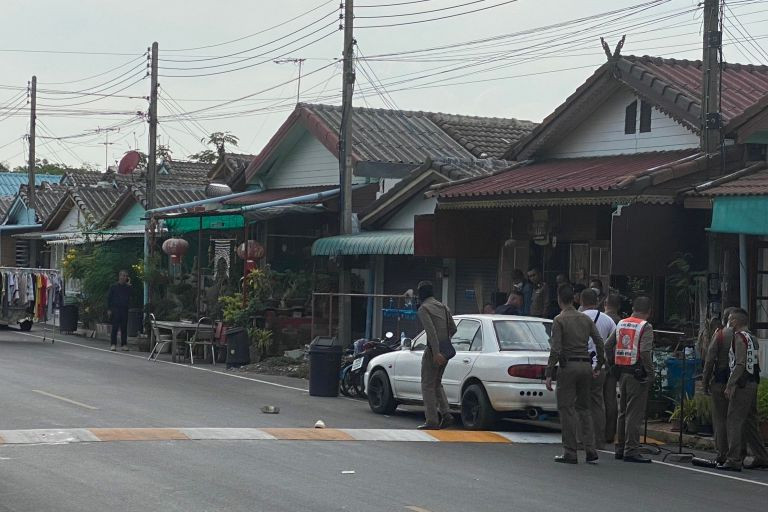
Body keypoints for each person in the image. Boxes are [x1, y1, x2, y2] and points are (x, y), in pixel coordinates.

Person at [545, 284, 605, 464]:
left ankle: (570, 451)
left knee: (566, 409)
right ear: (574, 299)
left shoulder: (559, 320)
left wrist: (549, 372)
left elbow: (556, 348)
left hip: (568, 367)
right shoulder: (585, 319)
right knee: (584, 408)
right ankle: (590, 449)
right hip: (585, 365)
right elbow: (599, 341)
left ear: (559, 299)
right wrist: (599, 364)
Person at [718, 308, 768, 471]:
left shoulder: (739, 337)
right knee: (749, 421)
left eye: (730, 319)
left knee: (734, 420)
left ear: (735, 322)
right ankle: (761, 456)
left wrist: (730, 384)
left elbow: (740, 363)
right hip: (753, 381)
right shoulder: (752, 337)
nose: (729, 322)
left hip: (742, 383)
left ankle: (733, 459)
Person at [605, 296, 654, 463]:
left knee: (623, 412)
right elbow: (645, 352)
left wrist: (613, 363)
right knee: (634, 413)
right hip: (637, 374)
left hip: (622, 373)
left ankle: (620, 448)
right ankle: (631, 449)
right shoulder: (645, 326)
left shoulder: (621, 323)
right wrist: (650, 373)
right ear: (649, 311)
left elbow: (607, 345)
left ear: (633, 308)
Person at [416, 280, 457, 430]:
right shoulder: (443, 307)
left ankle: (432, 421)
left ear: (421, 294)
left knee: (427, 385)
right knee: (437, 383)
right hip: (446, 350)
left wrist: (436, 352)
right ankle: (446, 414)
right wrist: (445, 342)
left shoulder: (423, 308)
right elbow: (453, 328)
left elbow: (431, 332)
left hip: (434, 351)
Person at [580, 288, 617, 450]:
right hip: (600, 367)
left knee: (580, 403)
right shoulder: (608, 320)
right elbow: (614, 343)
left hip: (580, 365)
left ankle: (581, 440)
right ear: (597, 302)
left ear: (581, 301)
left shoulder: (577, 317)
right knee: (597, 403)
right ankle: (599, 440)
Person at [701, 307, 735, 467]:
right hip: (740, 383)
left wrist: (705, 381)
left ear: (725, 319)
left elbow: (709, 360)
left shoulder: (721, 335)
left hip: (721, 381)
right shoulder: (746, 335)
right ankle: (737, 453)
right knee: (736, 419)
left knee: (720, 418)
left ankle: (722, 452)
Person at [602, 293, 622, 444]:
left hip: (600, 362)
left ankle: (597, 431)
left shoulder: (601, 319)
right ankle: (610, 433)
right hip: (615, 364)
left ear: (605, 304)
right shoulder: (622, 322)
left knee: (596, 398)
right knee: (611, 399)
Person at [107, 270, 132, 352]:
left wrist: (129, 285)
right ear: (120, 276)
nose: (125, 277)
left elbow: (130, 296)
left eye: (126, 276)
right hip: (115, 309)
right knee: (115, 327)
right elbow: (109, 298)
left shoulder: (128, 287)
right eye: (123, 276)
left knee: (124, 327)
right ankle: (113, 344)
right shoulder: (113, 287)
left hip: (124, 309)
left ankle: (124, 344)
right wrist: (109, 309)